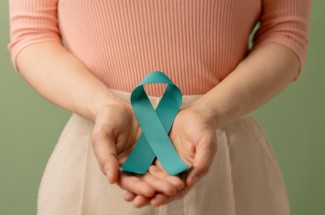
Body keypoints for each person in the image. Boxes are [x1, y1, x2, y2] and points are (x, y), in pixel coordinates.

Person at [8, 0, 310, 214]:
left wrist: (209, 112)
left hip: (221, 150)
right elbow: (32, 32)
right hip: (101, 147)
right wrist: (103, 106)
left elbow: (286, 31)